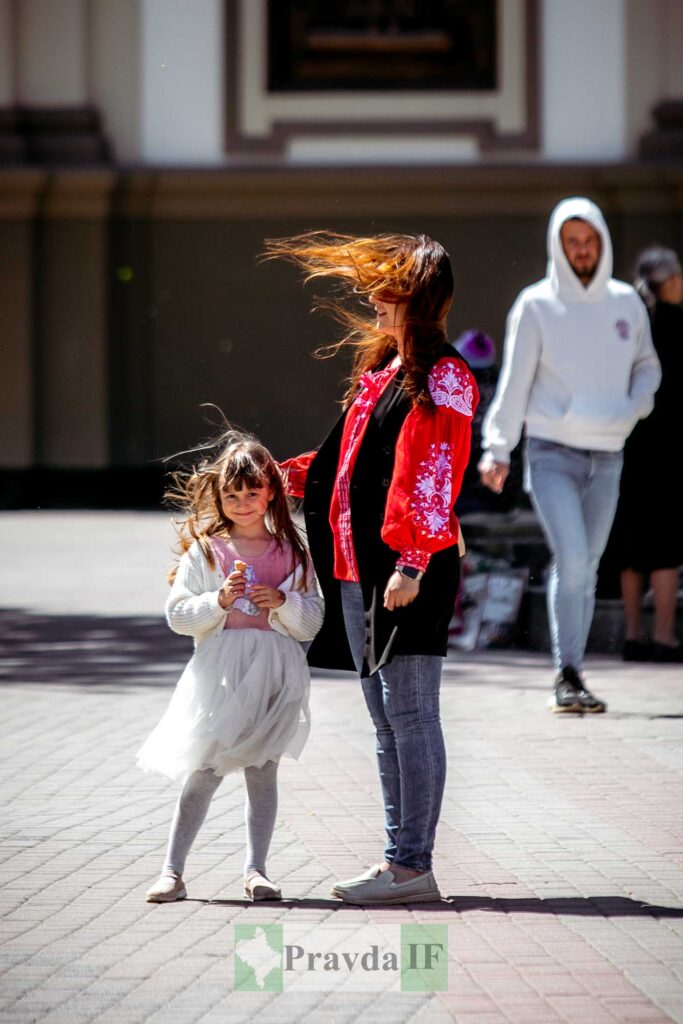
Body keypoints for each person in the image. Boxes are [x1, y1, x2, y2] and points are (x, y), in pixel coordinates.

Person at [269, 231, 478, 905]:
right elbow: (347, 465)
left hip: (404, 572)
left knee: (411, 713)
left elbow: (436, 474)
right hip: (361, 571)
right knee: (386, 720)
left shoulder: (444, 375)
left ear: (418, 298)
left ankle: (411, 867)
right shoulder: (386, 372)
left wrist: (413, 562)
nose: (373, 300)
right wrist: (272, 479)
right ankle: (400, 860)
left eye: (389, 289)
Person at [478, 197, 661, 713]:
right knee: (574, 557)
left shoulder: (626, 302)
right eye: (571, 242)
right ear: (558, 246)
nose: (581, 251)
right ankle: (567, 671)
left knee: (589, 565)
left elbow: (648, 366)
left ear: (601, 243)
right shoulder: (535, 305)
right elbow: (514, 383)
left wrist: (634, 405)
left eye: (589, 241)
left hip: (608, 453)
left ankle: (575, 673)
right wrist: (498, 449)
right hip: (551, 451)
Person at [137, 430, 323, 902]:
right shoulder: (205, 551)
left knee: (263, 771)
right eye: (232, 494)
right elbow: (177, 615)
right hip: (220, 677)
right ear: (219, 498)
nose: (243, 502)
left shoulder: (292, 552)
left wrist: (282, 602)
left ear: (271, 493)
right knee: (204, 770)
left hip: (275, 677)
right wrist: (218, 601)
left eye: (253, 491)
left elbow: (313, 619)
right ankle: (172, 872)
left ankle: (256, 870)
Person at [610, 246, 683, 662]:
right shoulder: (677, 324)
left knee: (631, 548)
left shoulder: (627, 325)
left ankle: (633, 636)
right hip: (670, 451)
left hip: (626, 445)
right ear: (671, 280)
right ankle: (664, 638)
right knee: (666, 547)